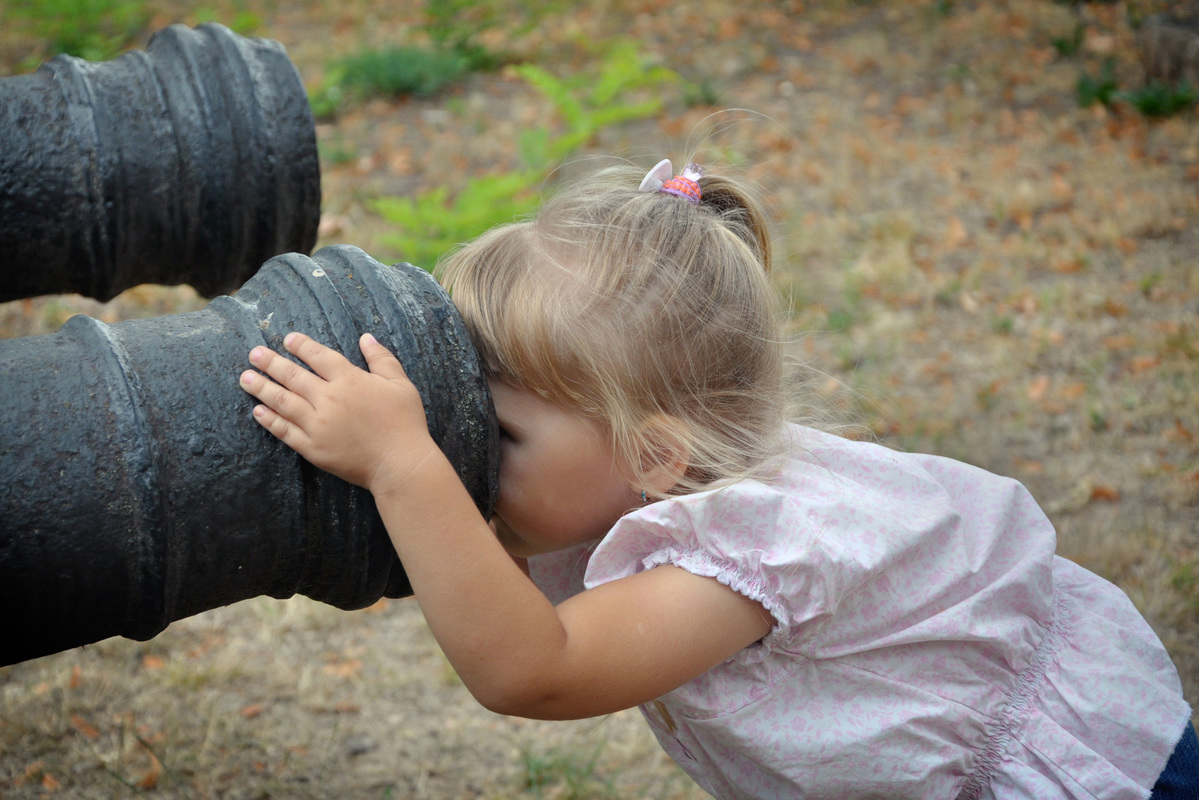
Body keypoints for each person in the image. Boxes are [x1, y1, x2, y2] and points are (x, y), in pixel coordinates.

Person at [238, 158, 1196, 799]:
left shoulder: (738, 555)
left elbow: (534, 671)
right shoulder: (652, 477)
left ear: (655, 455)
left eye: (494, 433)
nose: (466, 460)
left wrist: (405, 465)